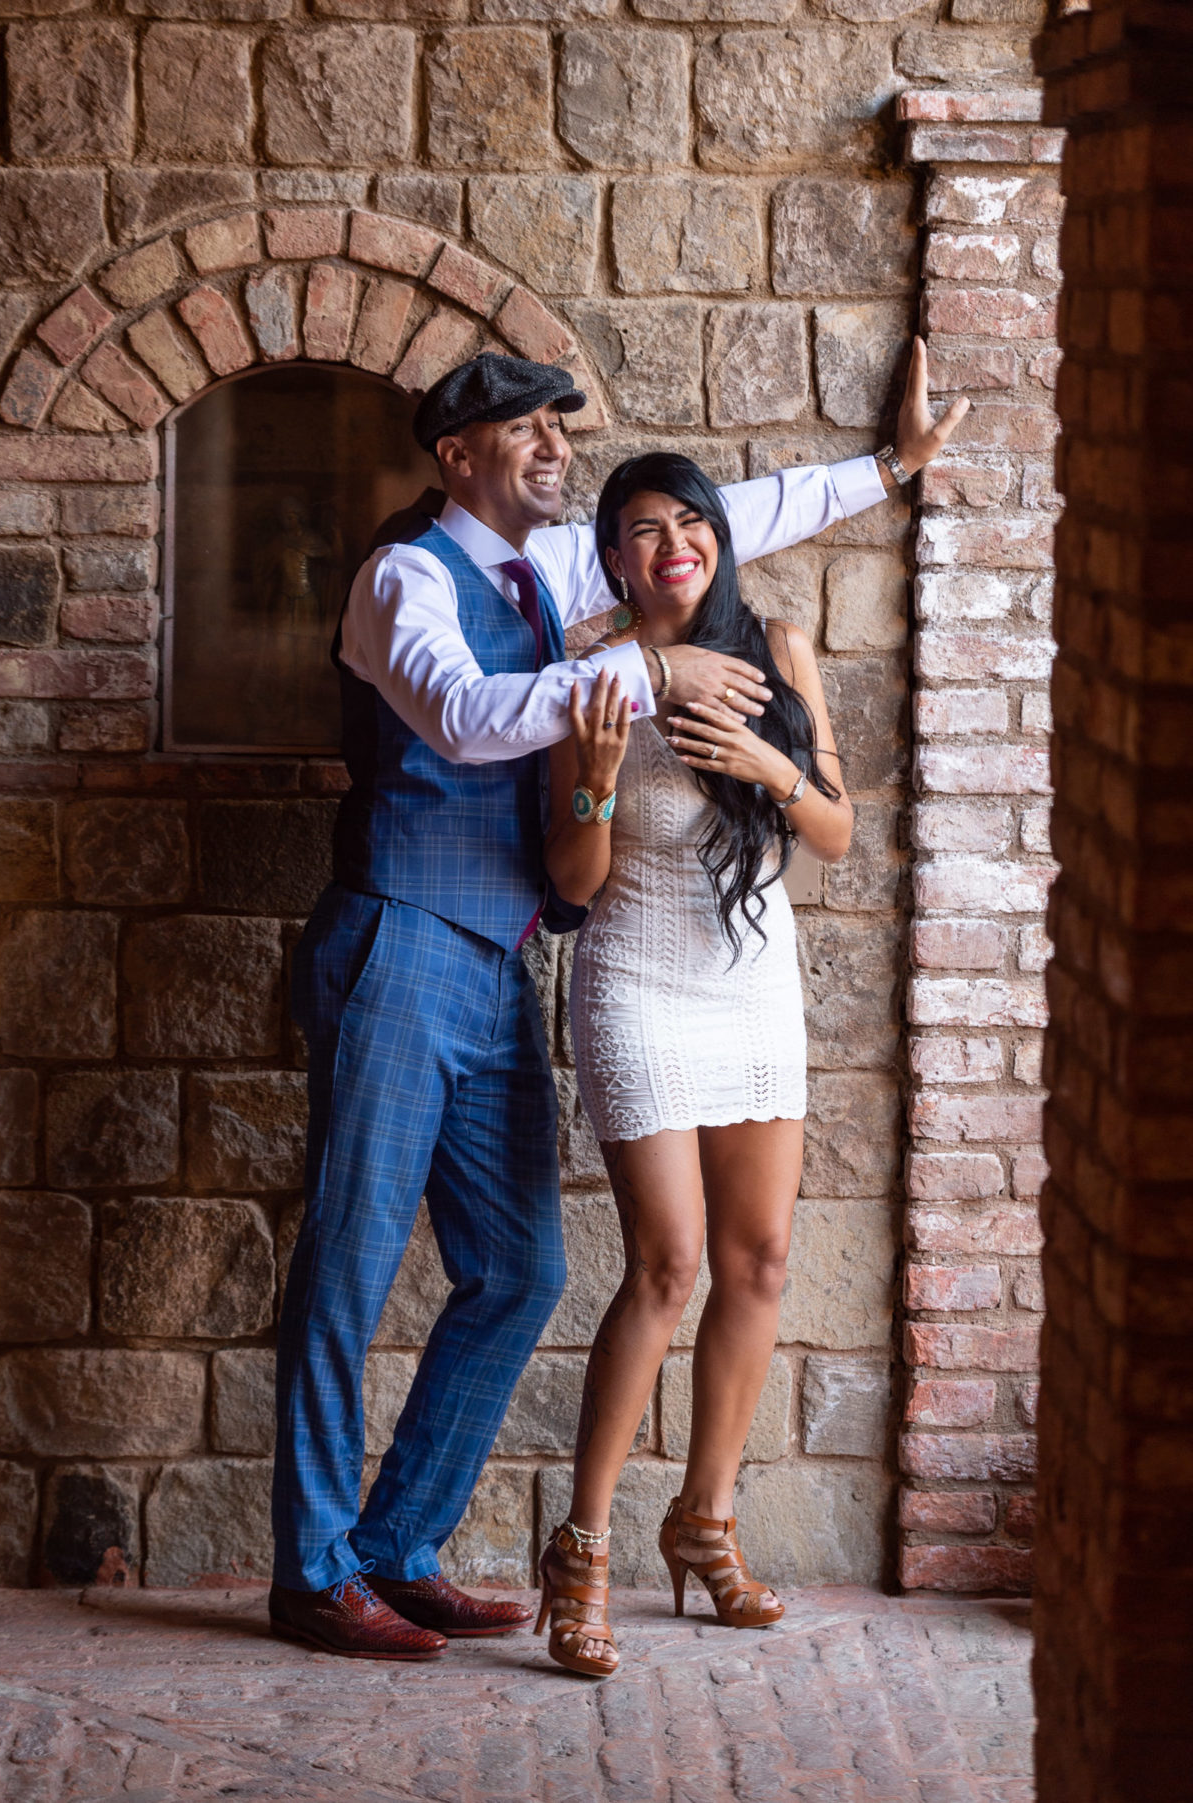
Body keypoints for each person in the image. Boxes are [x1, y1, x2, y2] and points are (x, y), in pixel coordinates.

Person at [269, 341, 964, 1663]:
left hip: (502, 957)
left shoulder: (558, 571)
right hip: (403, 932)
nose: (552, 445)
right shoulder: (407, 577)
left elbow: (728, 512)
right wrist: (649, 682)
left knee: (523, 1268)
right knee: (350, 1264)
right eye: (522, 430)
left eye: (557, 430)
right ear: (455, 455)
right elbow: (468, 718)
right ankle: (312, 1568)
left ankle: (398, 1548)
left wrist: (891, 467)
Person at [534, 340, 968, 1677]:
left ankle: (706, 1524)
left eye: (687, 524)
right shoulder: (597, 670)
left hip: (752, 984)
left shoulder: (778, 646)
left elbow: (835, 832)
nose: (669, 545)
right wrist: (600, 778)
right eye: (639, 531)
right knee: (668, 1265)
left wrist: (776, 762)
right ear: (612, 562)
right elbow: (570, 878)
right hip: (640, 983)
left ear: (717, 541)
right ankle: (585, 1550)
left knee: (762, 1263)